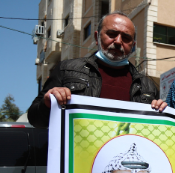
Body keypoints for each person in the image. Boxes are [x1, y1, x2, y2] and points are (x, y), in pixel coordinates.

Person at [28, 12, 166, 128]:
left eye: (126, 38)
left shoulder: (147, 86)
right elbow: (35, 120)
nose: (118, 41)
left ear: (133, 45)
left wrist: (162, 113)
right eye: (112, 34)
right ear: (96, 37)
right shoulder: (66, 69)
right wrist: (48, 102)